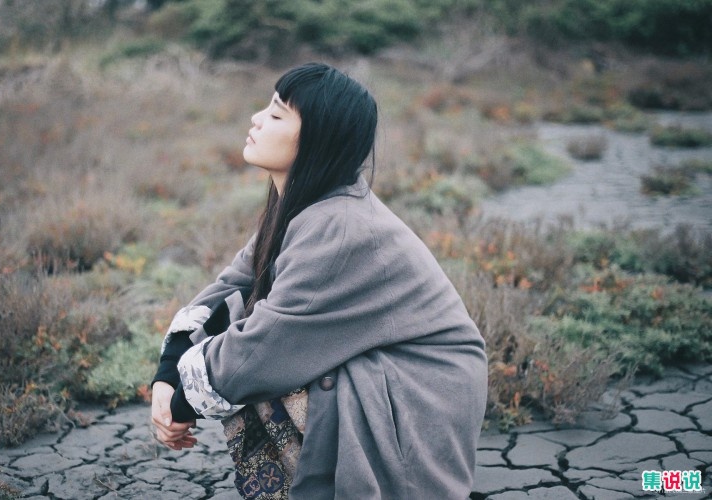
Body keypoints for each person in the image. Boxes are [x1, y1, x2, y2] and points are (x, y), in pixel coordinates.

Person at [151, 62, 488, 499]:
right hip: (387, 373)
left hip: (419, 394)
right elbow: (230, 287)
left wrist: (179, 406)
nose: (256, 119)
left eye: (276, 114)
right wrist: (167, 377)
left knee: (263, 367)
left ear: (317, 139)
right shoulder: (303, 205)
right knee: (243, 335)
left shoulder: (339, 227)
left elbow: (262, 350)